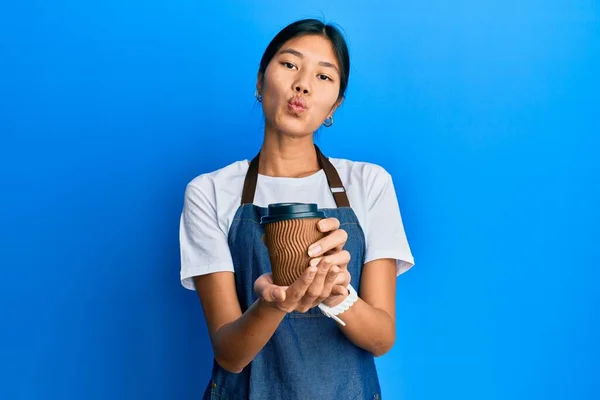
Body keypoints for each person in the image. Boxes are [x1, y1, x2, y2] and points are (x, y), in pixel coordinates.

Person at [179, 18, 415, 400]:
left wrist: (339, 296)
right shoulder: (209, 192)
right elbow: (228, 352)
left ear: (334, 105)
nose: (302, 83)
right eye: (289, 65)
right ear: (260, 81)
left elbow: (381, 337)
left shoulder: (369, 184)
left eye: (324, 77)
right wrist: (274, 304)